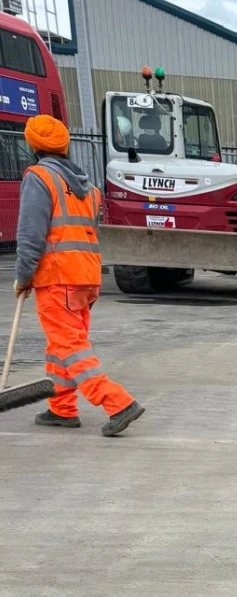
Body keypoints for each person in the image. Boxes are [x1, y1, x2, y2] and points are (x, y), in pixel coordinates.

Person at [13, 114, 145, 436]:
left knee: (70, 347)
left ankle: (118, 403)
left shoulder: (39, 178)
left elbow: (31, 234)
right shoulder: (87, 187)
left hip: (57, 278)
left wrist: (23, 276)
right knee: (64, 344)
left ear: (33, 146)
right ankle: (62, 408)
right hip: (86, 278)